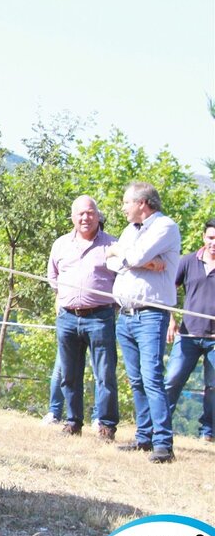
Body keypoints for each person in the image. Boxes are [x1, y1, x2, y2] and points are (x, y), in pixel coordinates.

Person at [106, 182, 181, 463]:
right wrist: (145, 262)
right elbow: (110, 261)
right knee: (136, 379)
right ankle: (144, 436)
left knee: (152, 377)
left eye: (127, 202)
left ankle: (164, 442)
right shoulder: (131, 231)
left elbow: (131, 256)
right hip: (125, 314)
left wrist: (128, 255)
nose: (123, 208)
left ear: (142, 203)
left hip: (150, 314)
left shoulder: (165, 227)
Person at [47, 195, 119, 441]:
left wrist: (111, 306)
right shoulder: (60, 244)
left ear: (98, 215)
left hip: (100, 317)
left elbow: (122, 280)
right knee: (69, 374)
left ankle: (106, 425)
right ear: (73, 217)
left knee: (105, 373)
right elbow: (52, 277)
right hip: (67, 317)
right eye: (80, 214)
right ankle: (72, 421)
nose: (85, 218)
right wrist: (66, 299)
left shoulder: (112, 245)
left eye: (90, 213)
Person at [164, 218, 215, 442]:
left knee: (213, 388)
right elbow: (167, 290)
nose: (214, 243)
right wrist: (170, 319)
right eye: (211, 237)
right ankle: (160, 426)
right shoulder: (187, 262)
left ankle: (208, 433)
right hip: (187, 335)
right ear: (204, 237)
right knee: (172, 380)